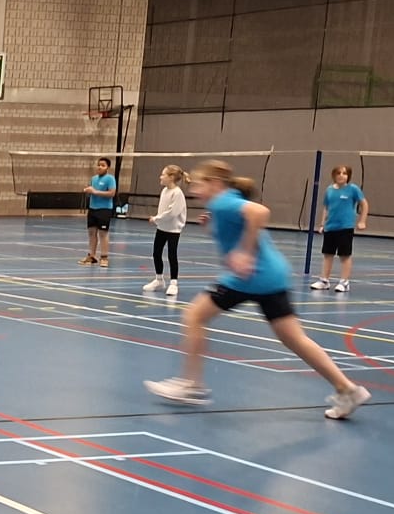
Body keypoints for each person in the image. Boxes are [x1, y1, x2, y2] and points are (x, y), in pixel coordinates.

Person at [145, 160, 370, 419]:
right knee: (294, 339)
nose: (194, 190)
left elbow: (260, 212)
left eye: (198, 185)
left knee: (194, 316)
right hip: (271, 276)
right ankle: (347, 389)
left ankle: (191, 385)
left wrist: (245, 252)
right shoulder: (224, 203)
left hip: (249, 277)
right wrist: (214, 228)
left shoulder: (223, 202)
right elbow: (237, 228)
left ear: (214, 184)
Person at [311, 164, 368, 293]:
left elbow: (364, 204)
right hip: (330, 227)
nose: (341, 176)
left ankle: (344, 282)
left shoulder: (353, 189)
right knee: (327, 254)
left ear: (348, 176)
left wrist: (362, 221)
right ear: (334, 175)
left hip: (345, 228)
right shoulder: (329, 190)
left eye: (344, 173)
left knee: (344, 255)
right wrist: (322, 224)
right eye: (339, 173)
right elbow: (326, 208)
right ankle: (324, 280)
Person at [141, 163, 187, 297]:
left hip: (173, 230)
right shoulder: (164, 191)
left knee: (172, 255)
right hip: (162, 228)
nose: (160, 177)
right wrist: (158, 220)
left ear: (171, 177)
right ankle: (159, 279)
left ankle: (173, 283)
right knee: (156, 253)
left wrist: (156, 218)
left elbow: (172, 212)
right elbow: (163, 209)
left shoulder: (177, 193)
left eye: (163, 174)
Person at [82, 156, 116, 266]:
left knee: (103, 233)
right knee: (92, 233)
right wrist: (88, 191)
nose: (100, 167)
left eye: (103, 165)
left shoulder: (110, 179)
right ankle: (91, 256)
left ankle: (104, 257)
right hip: (93, 209)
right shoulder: (94, 179)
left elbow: (111, 193)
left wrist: (95, 192)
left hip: (104, 210)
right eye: (99, 165)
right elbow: (92, 191)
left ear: (107, 167)